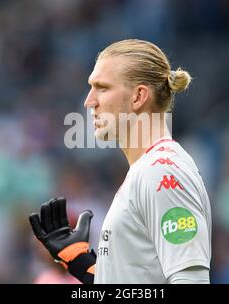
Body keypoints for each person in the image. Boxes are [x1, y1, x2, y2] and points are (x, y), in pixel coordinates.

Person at [29, 39, 212, 284]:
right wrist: (82, 264)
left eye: (102, 87)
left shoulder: (162, 172)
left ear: (138, 97)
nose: (89, 101)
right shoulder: (146, 171)